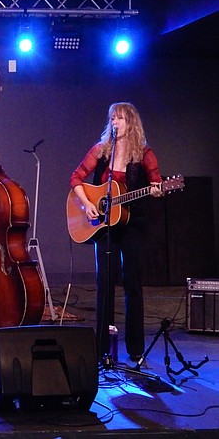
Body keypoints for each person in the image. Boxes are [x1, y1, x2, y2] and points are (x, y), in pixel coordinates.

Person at [70, 102, 163, 363]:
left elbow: (157, 184)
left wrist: (156, 190)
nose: (115, 122)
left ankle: (135, 348)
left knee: (132, 283)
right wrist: (88, 204)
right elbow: (76, 178)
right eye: (112, 118)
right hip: (104, 227)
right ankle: (102, 349)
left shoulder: (144, 154)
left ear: (130, 122)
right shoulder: (101, 151)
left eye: (120, 118)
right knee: (104, 284)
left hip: (132, 223)